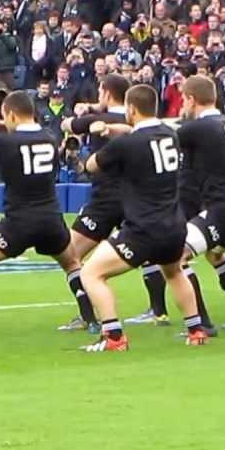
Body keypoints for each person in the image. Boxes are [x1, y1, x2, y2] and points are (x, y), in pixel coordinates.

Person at [0, 92, 85, 340]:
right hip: (52, 220)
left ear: (10, 114)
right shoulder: (50, 139)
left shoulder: (2, 142)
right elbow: (24, 138)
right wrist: (0, 125)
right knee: (73, 264)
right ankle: (89, 319)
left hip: (18, 223)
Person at [79, 84, 209, 352]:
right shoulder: (171, 135)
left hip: (143, 228)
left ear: (131, 109)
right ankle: (196, 330)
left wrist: (101, 142)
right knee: (174, 271)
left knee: (91, 273)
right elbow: (145, 135)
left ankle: (113, 336)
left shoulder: (125, 145)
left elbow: (93, 165)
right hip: (174, 225)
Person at [56, 73, 163, 332]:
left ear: (105, 93)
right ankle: (158, 310)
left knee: (70, 255)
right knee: (150, 254)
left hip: (105, 200)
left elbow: (67, 125)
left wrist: (86, 111)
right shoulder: (135, 123)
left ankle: (88, 315)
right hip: (133, 198)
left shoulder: (98, 120)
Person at [177, 75, 225, 332]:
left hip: (224, 208)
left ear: (191, 99)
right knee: (215, 254)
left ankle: (201, 324)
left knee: (177, 255)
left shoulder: (201, 126)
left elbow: (163, 131)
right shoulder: (224, 121)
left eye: (183, 99)